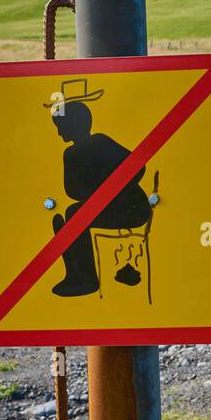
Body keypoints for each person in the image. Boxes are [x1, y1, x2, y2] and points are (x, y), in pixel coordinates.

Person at [48, 94, 151, 297]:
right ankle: (75, 275)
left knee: (75, 215)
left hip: (132, 208)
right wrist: (100, 190)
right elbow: (72, 191)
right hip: (104, 207)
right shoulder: (70, 154)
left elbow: (138, 167)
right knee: (69, 214)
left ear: (74, 125)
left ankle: (86, 279)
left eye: (62, 126)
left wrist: (113, 188)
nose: (59, 132)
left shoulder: (101, 141)